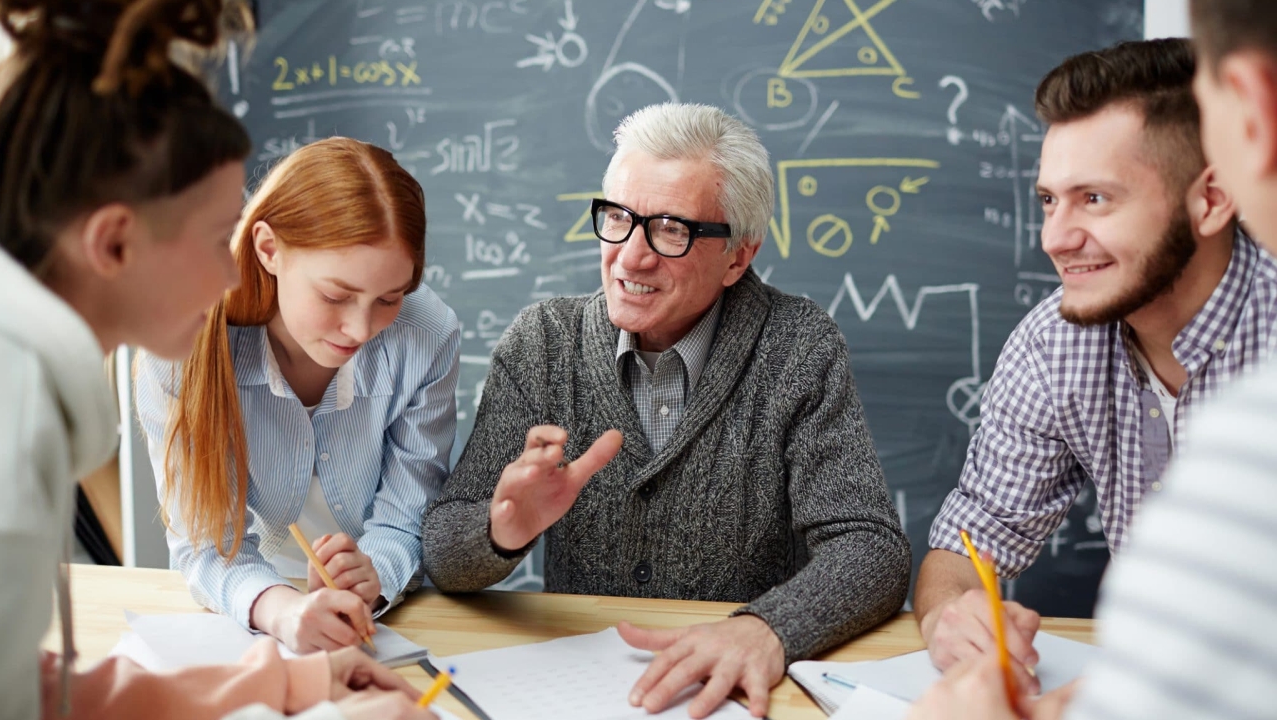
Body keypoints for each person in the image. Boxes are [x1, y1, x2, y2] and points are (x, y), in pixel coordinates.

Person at [0, 1, 432, 719]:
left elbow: (36, 693)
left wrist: (288, 688)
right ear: (113, 244)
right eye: (214, 239)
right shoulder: (11, 445)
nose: (231, 281)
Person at [420, 102, 911, 719]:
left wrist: (766, 629)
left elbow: (871, 549)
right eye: (618, 218)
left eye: (671, 230)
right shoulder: (542, 343)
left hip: (730, 691)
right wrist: (500, 531)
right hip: (574, 694)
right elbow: (442, 549)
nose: (630, 257)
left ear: (738, 255)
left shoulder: (798, 347)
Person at [909, 6, 1277, 718]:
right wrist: (952, 614)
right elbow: (969, 536)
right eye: (1048, 200)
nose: (1055, 237)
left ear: (1212, 199)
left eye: (1095, 199)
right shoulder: (1054, 343)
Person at [135, 137, 460, 654]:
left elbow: (406, 515)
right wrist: (282, 611)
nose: (359, 328)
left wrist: (371, 575)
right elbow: (206, 545)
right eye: (335, 295)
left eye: (389, 298)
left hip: (384, 613)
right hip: (247, 614)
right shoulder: (182, 344)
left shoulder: (428, 335)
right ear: (269, 249)